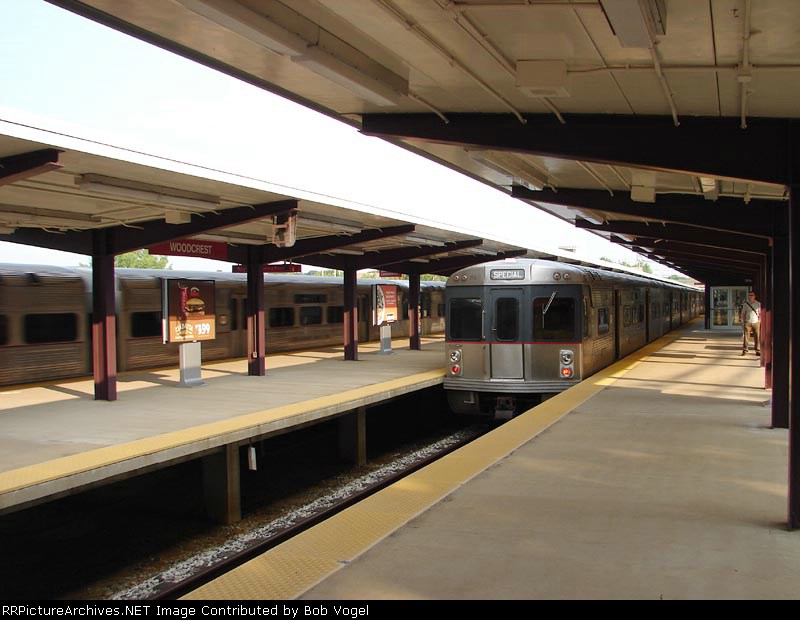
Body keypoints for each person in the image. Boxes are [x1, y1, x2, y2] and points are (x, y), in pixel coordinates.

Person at [740, 291, 761, 356]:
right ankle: (745, 350)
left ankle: (758, 350)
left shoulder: (758, 304)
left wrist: (759, 321)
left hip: (755, 322)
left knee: (757, 337)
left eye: (752, 295)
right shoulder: (746, 304)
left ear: (754, 296)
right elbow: (743, 313)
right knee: (746, 337)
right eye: (749, 295)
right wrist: (743, 321)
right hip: (748, 322)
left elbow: (760, 313)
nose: (750, 296)